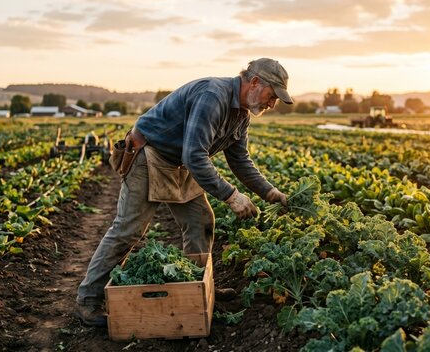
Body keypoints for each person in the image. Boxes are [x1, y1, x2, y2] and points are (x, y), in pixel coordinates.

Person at [75, 58, 292, 327]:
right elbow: (195, 155)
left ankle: (196, 288)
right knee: (129, 229)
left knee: (200, 222)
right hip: (149, 154)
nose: (272, 105)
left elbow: (239, 161)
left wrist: (270, 192)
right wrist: (231, 196)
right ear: (255, 82)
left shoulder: (241, 115)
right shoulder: (213, 95)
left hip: (180, 161)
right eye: (272, 96)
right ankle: (88, 299)